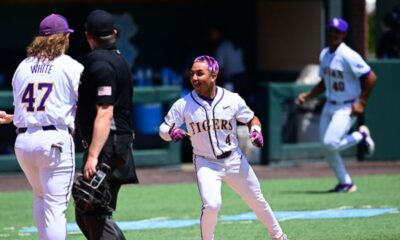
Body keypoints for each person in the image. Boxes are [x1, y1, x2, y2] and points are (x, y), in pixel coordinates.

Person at [159, 55, 288, 240]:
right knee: (212, 205)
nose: (194, 78)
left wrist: (256, 131)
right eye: (192, 74)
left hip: (234, 159)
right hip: (206, 162)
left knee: (257, 200)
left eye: (199, 73)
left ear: (213, 75)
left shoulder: (231, 99)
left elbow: (251, 118)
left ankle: (279, 236)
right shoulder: (184, 104)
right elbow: (163, 128)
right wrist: (170, 133)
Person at [11, 13, 83, 239]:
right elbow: (86, 105)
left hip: (24, 141)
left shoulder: (22, 66)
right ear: (63, 38)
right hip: (54, 140)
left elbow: (25, 106)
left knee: (40, 197)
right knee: (55, 207)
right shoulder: (70, 65)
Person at [74, 9, 139, 240]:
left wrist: (93, 156)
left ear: (88, 36)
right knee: (88, 211)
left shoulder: (100, 63)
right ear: (114, 33)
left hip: (107, 145)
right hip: (114, 142)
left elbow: (105, 111)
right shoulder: (117, 58)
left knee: (93, 210)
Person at [297, 17, 377, 193]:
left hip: (347, 106)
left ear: (344, 34)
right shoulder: (325, 54)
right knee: (326, 148)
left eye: (337, 31)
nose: (333, 34)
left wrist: (361, 102)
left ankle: (360, 136)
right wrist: (309, 95)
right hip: (330, 104)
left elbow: (371, 77)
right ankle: (345, 182)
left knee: (330, 144)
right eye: (331, 30)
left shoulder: (348, 55)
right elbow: (324, 81)